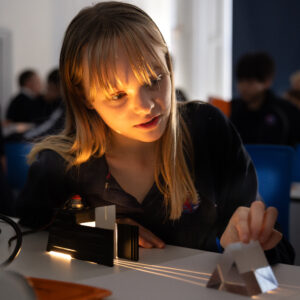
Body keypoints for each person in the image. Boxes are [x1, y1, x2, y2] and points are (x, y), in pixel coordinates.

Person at [16, 2, 294, 264]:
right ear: (84, 96)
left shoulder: (207, 130)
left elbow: (279, 260)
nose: (146, 106)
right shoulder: (60, 165)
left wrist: (248, 249)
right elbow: (25, 241)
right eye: (117, 95)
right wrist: (92, 230)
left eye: (154, 79)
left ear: (169, 67)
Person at [230, 52, 300, 146]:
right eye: (240, 81)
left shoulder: (286, 112)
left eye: (250, 82)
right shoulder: (231, 110)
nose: (243, 87)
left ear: (267, 82)